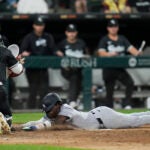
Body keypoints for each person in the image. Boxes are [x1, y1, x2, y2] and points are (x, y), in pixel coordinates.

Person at [22, 93, 150, 131]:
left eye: (50, 108)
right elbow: (39, 121)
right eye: (47, 110)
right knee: (131, 117)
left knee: (134, 121)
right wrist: (17, 128)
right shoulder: (51, 113)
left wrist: (36, 128)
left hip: (104, 118)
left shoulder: (65, 108)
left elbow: (59, 124)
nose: (49, 112)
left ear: (58, 104)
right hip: (99, 116)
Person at [97, 19, 141, 109]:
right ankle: (109, 108)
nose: (113, 29)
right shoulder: (104, 39)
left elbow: (131, 49)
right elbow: (101, 53)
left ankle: (127, 104)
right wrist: (109, 54)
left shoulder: (122, 38)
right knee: (109, 90)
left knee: (130, 82)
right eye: (111, 27)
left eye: (115, 27)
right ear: (108, 28)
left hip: (119, 68)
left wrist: (138, 53)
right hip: (108, 68)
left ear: (117, 28)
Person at [20, 16, 56, 109]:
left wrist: (57, 52)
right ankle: (30, 110)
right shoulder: (29, 37)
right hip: (32, 68)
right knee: (33, 90)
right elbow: (22, 50)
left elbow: (53, 50)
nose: (39, 27)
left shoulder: (48, 37)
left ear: (43, 26)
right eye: (37, 25)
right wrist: (24, 52)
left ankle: (43, 110)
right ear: (34, 26)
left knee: (44, 90)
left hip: (44, 67)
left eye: (41, 25)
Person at [56, 24, 89, 108]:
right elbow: (57, 58)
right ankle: (72, 101)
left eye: (73, 32)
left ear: (76, 33)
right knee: (74, 76)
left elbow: (88, 56)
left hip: (79, 69)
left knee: (77, 76)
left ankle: (73, 100)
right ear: (66, 33)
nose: (71, 34)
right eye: (70, 32)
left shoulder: (81, 43)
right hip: (66, 70)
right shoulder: (62, 43)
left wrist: (86, 56)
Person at [0, 37, 24, 127]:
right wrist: (18, 63)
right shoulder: (5, 52)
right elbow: (18, 70)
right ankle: (5, 122)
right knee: (7, 115)